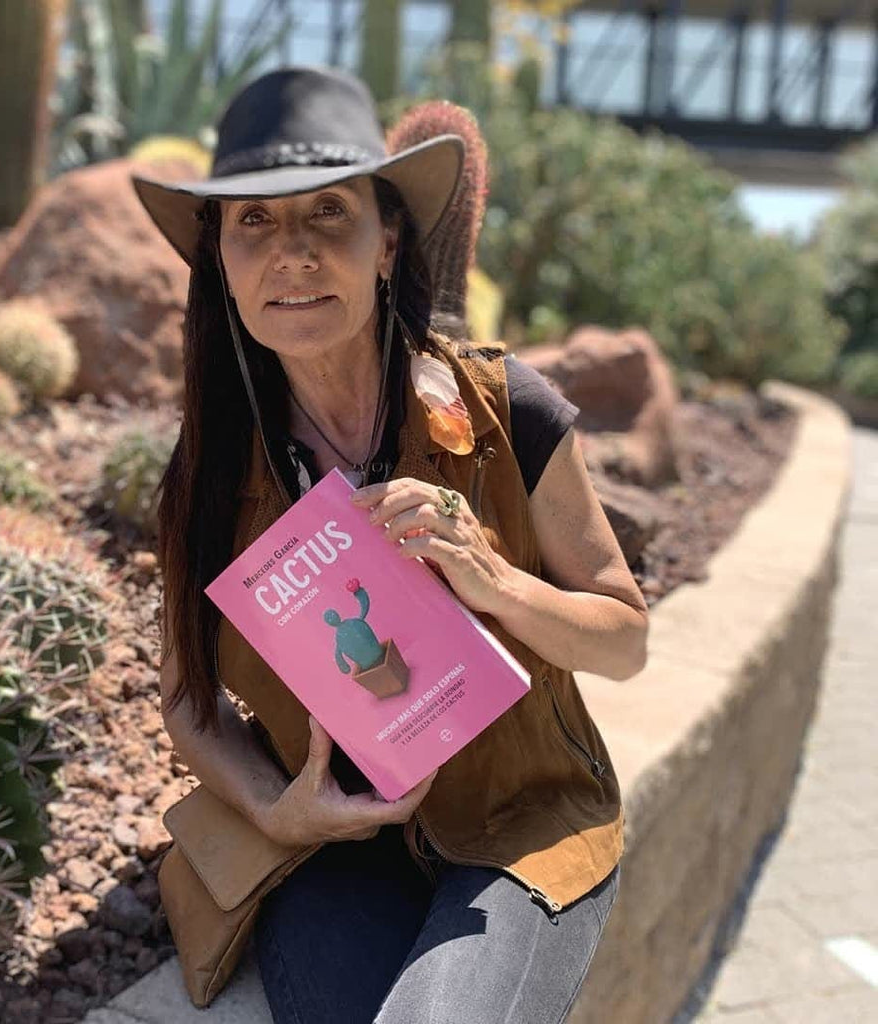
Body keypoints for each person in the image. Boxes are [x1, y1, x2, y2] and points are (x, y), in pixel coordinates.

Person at [132, 65, 649, 1024]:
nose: (291, 253)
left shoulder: (506, 412)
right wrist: (278, 810)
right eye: (253, 220)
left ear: (388, 241)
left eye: (329, 212)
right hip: (336, 849)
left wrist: (493, 579)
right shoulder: (208, 472)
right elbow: (186, 702)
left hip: (523, 825)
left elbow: (625, 641)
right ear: (221, 259)